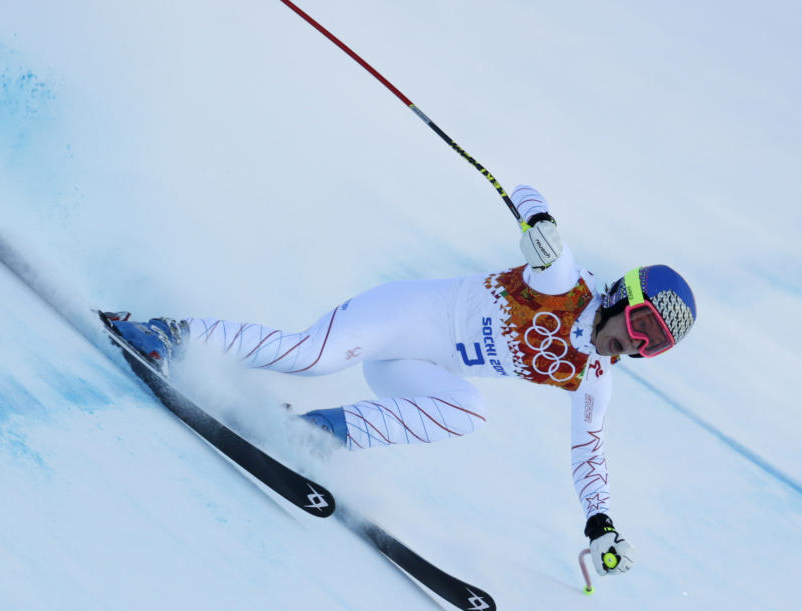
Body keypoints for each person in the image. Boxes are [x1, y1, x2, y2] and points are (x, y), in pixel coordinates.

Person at [105, 185, 697, 577]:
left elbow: (588, 452)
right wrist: (537, 221)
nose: (636, 346)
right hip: (401, 318)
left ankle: (317, 432)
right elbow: (524, 192)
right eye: (641, 325)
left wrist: (600, 522)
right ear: (623, 296)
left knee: (469, 409)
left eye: (655, 346)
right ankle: (166, 333)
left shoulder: (593, 373)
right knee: (311, 356)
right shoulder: (561, 282)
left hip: (415, 368)